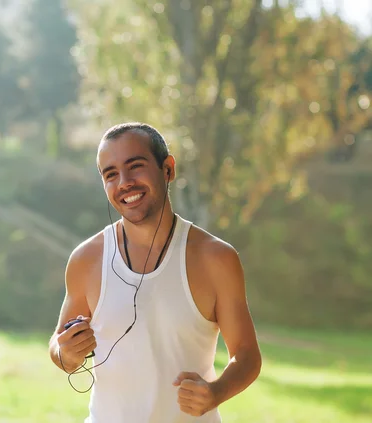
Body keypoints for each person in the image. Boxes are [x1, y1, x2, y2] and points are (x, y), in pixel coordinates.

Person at [48, 122, 262, 422]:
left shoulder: (216, 258)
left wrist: (216, 391)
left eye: (135, 166)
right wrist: (66, 352)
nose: (124, 182)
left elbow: (247, 354)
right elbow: (58, 344)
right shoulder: (87, 259)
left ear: (168, 169)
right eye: (111, 174)